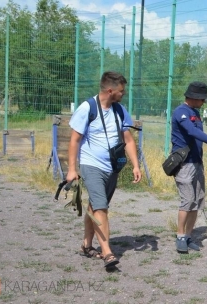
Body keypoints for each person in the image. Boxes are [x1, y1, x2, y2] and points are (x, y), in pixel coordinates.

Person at [66, 71, 142, 268]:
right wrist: (72, 169)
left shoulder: (119, 110)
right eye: (121, 91)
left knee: (95, 206)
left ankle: (86, 245)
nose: (123, 94)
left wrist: (135, 165)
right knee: (101, 207)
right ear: (110, 90)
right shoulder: (87, 108)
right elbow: (74, 140)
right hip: (91, 165)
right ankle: (107, 252)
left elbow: (128, 139)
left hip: (112, 167)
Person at [171, 81, 207, 253]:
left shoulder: (195, 113)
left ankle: (188, 236)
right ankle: (180, 236)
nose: (204, 102)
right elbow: (191, 131)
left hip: (197, 162)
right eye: (202, 99)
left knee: (197, 201)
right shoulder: (181, 112)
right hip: (184, 164)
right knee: (188, 200)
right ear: (193, 97)